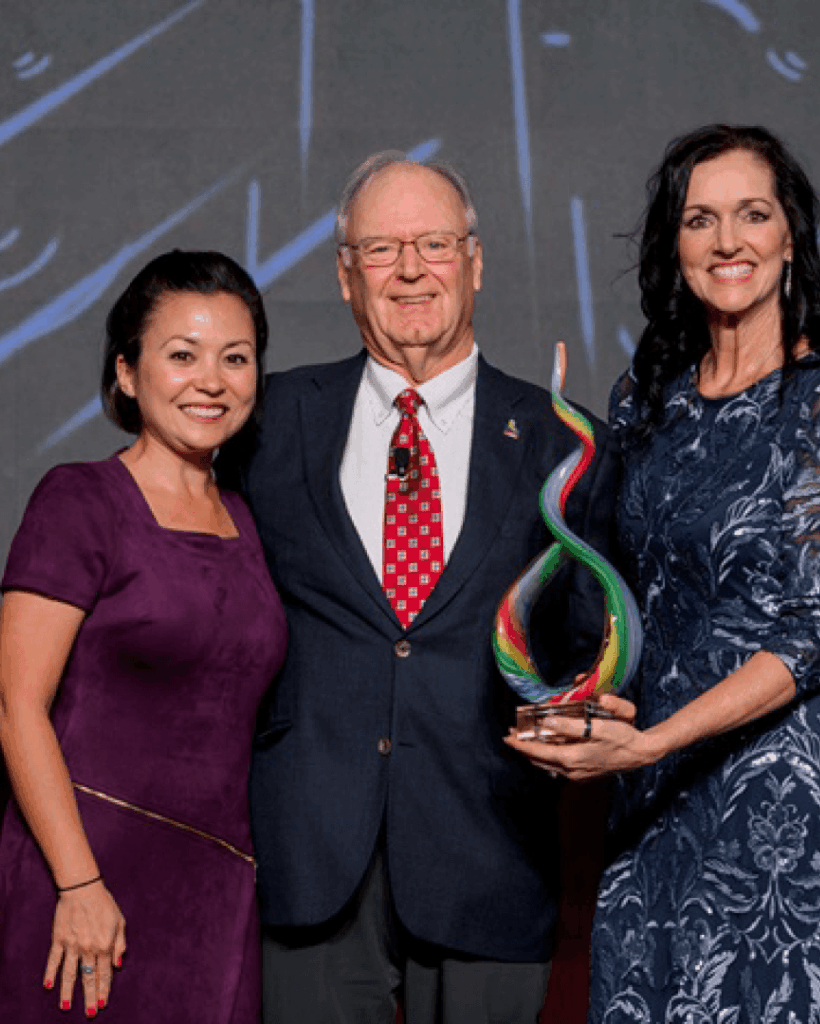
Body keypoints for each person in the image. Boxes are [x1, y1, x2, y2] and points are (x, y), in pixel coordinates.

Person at [217, 152, 613, 1024]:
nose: (409, 269)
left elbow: (590, 641)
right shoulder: (265, 421)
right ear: (344, 273)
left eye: (433, 243)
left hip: (490, 855)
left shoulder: (563, 439)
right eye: (381, 247)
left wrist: (596, 710)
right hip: (309, 854)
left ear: (475, 261)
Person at [506, 125, 820, 1023]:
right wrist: (585, 707)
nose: (728, 242)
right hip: (659, 777)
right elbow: (628, 593)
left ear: (790, 236)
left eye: (753, 215)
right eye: (700, 219)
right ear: (672, 247)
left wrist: (651, 742)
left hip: (786, 777)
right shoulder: (650, 399)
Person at [0, 250, 287, 1022]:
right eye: (182, 355)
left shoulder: (249, 519)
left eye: (235, 359)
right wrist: (78, 884)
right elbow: (17, 706)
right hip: (85, 885)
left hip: (213, 894)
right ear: (126, 371)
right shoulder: (80, 501)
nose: (211, 380)